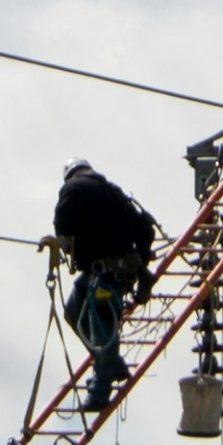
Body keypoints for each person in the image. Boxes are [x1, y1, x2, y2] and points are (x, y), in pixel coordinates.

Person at [49, 160, 159, 413]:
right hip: (114, 271)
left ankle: (100, 392)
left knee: (103, 331)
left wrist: (64, 243)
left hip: (106, 273)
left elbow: (63, 225)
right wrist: (141, 260)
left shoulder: (73, 189)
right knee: (73, 309)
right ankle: (114, 366)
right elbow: (144, 226)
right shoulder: (115, 192)